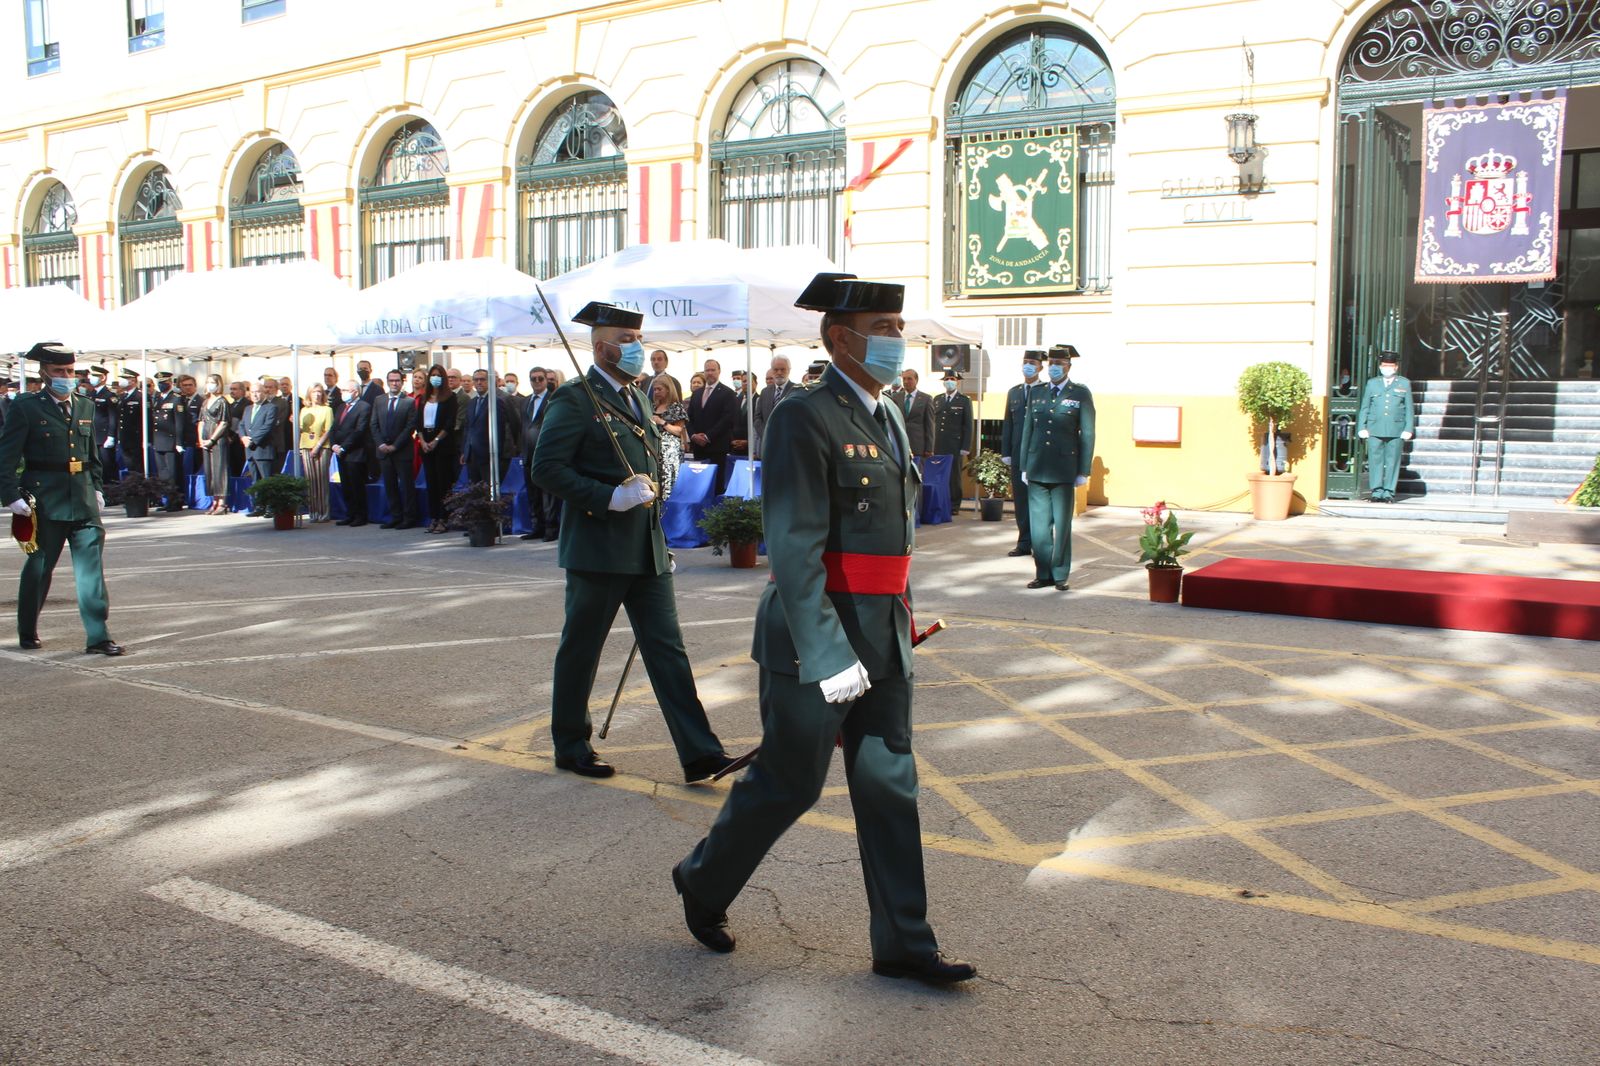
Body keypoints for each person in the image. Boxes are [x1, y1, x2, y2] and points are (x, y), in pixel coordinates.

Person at [672, 272, 974, 985]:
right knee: (787, 782)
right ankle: (703, 883)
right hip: (817, 637)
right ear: (841, 338)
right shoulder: (803, 416)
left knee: (889, 784)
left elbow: (894, 541)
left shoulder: (889, 413)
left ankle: (904, 943)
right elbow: (795, 547)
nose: (898, 341)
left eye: (898, 328)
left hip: (884, 631)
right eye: (885, 328)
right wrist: (827, 649)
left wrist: (892, 624)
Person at [530, 301, 734, 783]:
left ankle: (700, 753)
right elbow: (546, 468)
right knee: (582, 648)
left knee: (668, 650)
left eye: (637, 339)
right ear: (601, 347)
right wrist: (608, 498)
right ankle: (571, 743)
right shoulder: (576, 398)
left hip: (644, 547)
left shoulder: (638, 396)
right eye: (626, 340)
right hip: (598, 547)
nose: (635, 348)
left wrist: (655, 533)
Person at [1, 343, 123, 655]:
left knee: (91, 572)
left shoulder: (85, 405)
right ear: (43, 373)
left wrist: (96, 487)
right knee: (40, 568)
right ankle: (27, 628)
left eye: (69, 371)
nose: (66, 377)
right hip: (44, 500)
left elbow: (91, 455)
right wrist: (10, 496)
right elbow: (6, 455)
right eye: (59, 372)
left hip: (81, 497)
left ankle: (98, 636)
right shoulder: (26, 407)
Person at [1018, 344, 1094, 592]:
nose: (1054, 368)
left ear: (1069, 367)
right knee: (1039, 527)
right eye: (1051, 364)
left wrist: (1083, 470)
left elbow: (1087, 433)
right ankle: (1044, 573)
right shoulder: (1037, 392)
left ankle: (1060, 574)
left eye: (1059, 364)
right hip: (1038, 466)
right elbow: (1028, 429)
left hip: (1064, 468)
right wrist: (1024, 465)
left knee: (1061, 525)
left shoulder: (1080, 393)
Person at [1000, 351, 1043, 558]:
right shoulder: (1014, 392)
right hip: (1018, 455)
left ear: (1040, 367)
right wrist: (1006, 452)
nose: (1028, 366)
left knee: (1040, 502)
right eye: (1025, 362)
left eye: (1032, 363)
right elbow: (1008, 423)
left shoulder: (1045, 391)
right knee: (1021, 501)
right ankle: (1024, 542)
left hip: (1040, 455)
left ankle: (1041, 543)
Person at [1358, 352, 1415, 503]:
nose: (1387, 368)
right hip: (1374, 427)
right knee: (1375, 461)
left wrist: (1408, 428)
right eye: (1384, 366)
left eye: (1390, 366)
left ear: (1396, 367)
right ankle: (1376, 491)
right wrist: (1361, 426)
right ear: (1380, 367)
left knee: (1392, 461)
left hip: (1396, 428)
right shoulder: (1373, 383)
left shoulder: (1404, 383)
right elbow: (1365, 406)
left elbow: (1409, 408)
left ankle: (1389, 491)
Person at [373, 369, 420, 530]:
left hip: (402, 450)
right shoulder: (379, 400)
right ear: (387, 382)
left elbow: (410, 427)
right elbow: (374, 424)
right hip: (383, 451)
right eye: (391, 380)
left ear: (402, 382)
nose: (394, 383)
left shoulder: (409, 401)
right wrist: (380, 444)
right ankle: (395, 516)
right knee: (390, 485)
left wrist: (395, 445)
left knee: (406, 486)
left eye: (397, 380)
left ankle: (409, 517)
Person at [418, 364, 460, 534]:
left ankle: (444, 518)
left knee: (443, 483)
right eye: (432, 375)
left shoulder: (450, 398)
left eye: (438, 375)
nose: (435, 378)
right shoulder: (423, 398)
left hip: (442, 444)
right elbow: (418, 423)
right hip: (426, 443)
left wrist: (436, 440)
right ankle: (434, 517)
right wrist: (422, 440)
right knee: (431, 483)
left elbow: (449, 423)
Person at [520, 367, 561, 542]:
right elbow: (521, 426)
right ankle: (537, 526)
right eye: (533, 379)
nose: (536, 382)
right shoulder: (525, 401)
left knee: (548, 494)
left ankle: (551, 528)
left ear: (546, 380)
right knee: (533, 493)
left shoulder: (554, 399)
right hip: (528, 453)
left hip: (547, 453)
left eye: (540, 379)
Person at [687, 358, 739, 488]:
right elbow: (689, 418)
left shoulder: (728, 393)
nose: (710, 373)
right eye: (707, 370)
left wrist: (707, 437)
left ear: (719, 371)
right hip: (699, 448)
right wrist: (693, 436)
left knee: (716, 485)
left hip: (717, 447)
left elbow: (727, 419)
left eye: (712, 370)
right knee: (699, 485)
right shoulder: (697, 394)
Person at [329, 378, 372, 526]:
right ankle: (350, 513)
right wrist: (333, 444)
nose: (343, 393)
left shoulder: (363, 407)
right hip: (340, 452)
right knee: (346, 485)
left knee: (356, 486)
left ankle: (360, 515)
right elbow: (334, 427)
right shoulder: (341, 407)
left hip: (355, 452)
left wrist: (343, 447)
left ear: (355, 391)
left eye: (345, 390)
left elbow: (359, 430)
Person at [461, 368, 515, 486]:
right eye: (476, 380)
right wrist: (465, 451)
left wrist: (498, 454)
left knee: (488, 491)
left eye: (482, 379)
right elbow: (468, 427)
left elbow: (502, 430)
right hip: (472, 455)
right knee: (474, 492)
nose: (479, 382)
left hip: (488, 455)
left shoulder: (496, 402)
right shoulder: (472, 402)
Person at [933, 369, 973, 513]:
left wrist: (965, 446)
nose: (949, 381)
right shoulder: (937, 399)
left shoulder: (964, 401)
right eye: (947, 379)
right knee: (938, 474)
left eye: (952, 379)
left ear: (957, 382)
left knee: (954, 476)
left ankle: (954, 504)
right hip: (938, 443)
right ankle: (939, 502)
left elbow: (968, 425)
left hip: (955, 445)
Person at [236, 381, 280, 508]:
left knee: (266, 480)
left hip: (262, 449)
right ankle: (258, 506)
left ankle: (270, 507)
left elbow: (267, 426)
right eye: (252, 392)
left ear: (264, 392)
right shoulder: (248, 408)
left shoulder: (271, 407)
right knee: (255, 480)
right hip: (249, 451)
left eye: (258, 391)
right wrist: (243, 437)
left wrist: (253, 440)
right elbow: (242, 424)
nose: (255, 394)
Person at [197, 373, 232, 515]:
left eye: (213, 382)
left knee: (219, 469)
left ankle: (222, 502)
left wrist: (212, 439)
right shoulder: (205, 402)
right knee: (209, 470)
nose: (210, 384)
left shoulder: (222, 401)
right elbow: (201, 421)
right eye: (208, 382)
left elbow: (224, 422)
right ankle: (214, 500)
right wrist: (201, 439)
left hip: (218, 440)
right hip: (205, 439)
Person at [299, 384, 334, 521]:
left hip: (322, 447)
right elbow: (302, 429)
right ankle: (313, 512)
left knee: (321, 481)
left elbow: (329, 430)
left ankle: (324, 512)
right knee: (310, 481)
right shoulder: (304, 410)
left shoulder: (327, 410)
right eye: (314, 392)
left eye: (319, 392)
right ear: (309, 394)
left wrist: (318, 446)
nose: (317, 395)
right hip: (306, 446)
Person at [651, 374, 689, 499]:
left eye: (659, 389)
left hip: (670, 454)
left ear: (668, 389)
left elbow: (679, 430)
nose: (656, 392)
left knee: (668, 484)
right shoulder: (652, 406)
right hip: (653, 450)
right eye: (654, 389)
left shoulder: (676, 407)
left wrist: (662, 422)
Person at [751, 356, 794, 458]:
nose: (779, 372)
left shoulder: (796, 390)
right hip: (766, 448)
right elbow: (757, 417)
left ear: (789, 370)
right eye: (775, 369)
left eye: (782, 369)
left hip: (787, 448)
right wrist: (765, 434)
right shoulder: (765, 392)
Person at [87, 364, 119, 480]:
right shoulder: (90, 394)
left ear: (103, 378)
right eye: (92, 375)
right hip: (92, 436)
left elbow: (113, 417)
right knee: (94, 466)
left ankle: (111, 491)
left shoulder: (109, 395)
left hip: (104, 437)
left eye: (96, 375)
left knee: (107, 466)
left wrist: (111, 436)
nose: (92, 378)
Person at [115, 369, 148, 475]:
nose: (122, 381)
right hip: (124, 437)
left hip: (136, 438)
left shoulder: (140, 396)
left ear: (133, 380)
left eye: (125, 379)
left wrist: (147, 439)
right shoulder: (123, 396)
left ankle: (138, 488)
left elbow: (146, 419)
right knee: (129, 466)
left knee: (137, 467)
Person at [897, 368, 935, 459]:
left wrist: (929, 448)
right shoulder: (896, 397)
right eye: (904, 379)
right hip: (899, 445)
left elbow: (930, 425)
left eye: (909, 379)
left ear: (916, 380)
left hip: (918, 447)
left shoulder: (926, 399)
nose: (906, 381)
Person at [224, 380, 248, 478]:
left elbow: (243, 423)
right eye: (231, 389)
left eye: (235, 389)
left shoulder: (247, 404)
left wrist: (233, 437)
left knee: (240, 467)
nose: (232, 391)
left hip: (239, 441)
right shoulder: (231, 404)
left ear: (242, 391)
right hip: (230, 441)